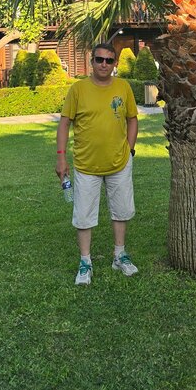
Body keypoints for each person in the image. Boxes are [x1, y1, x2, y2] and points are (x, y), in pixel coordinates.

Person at [56, 42, 139, 286]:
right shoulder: (78, 89)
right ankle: (85, 262)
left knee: (121, 210)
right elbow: (64, 123)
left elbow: (132, 119)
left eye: (109, 60)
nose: (104, 64)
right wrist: (61, 157)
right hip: (85, 165)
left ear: (114, 64)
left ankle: (119, 255)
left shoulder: (123, 87)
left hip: (120, 162)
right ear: (91, 61)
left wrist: (130, 149)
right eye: (99, 59)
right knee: (83, 214)